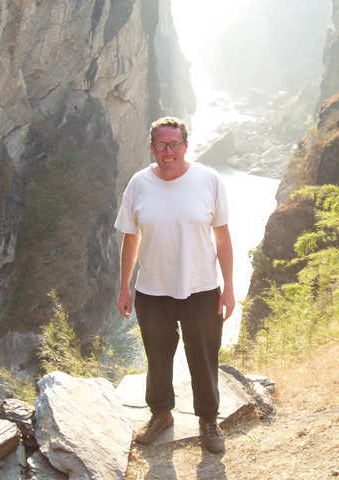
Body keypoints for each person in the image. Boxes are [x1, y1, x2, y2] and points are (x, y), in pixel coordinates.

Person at [114, 116, 235, 453]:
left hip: (202, 289)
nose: (168, 152)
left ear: (186, 145)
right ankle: (160, 415)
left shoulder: (209, 180)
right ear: (152, 147)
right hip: (152, 290)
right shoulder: (139, 184)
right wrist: (124, 287)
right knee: (158, 357)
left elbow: (223, 239)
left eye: (174, 145)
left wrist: (228, 287)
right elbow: (130, 238)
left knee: (204, 357)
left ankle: (209, 422)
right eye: (161, 145)